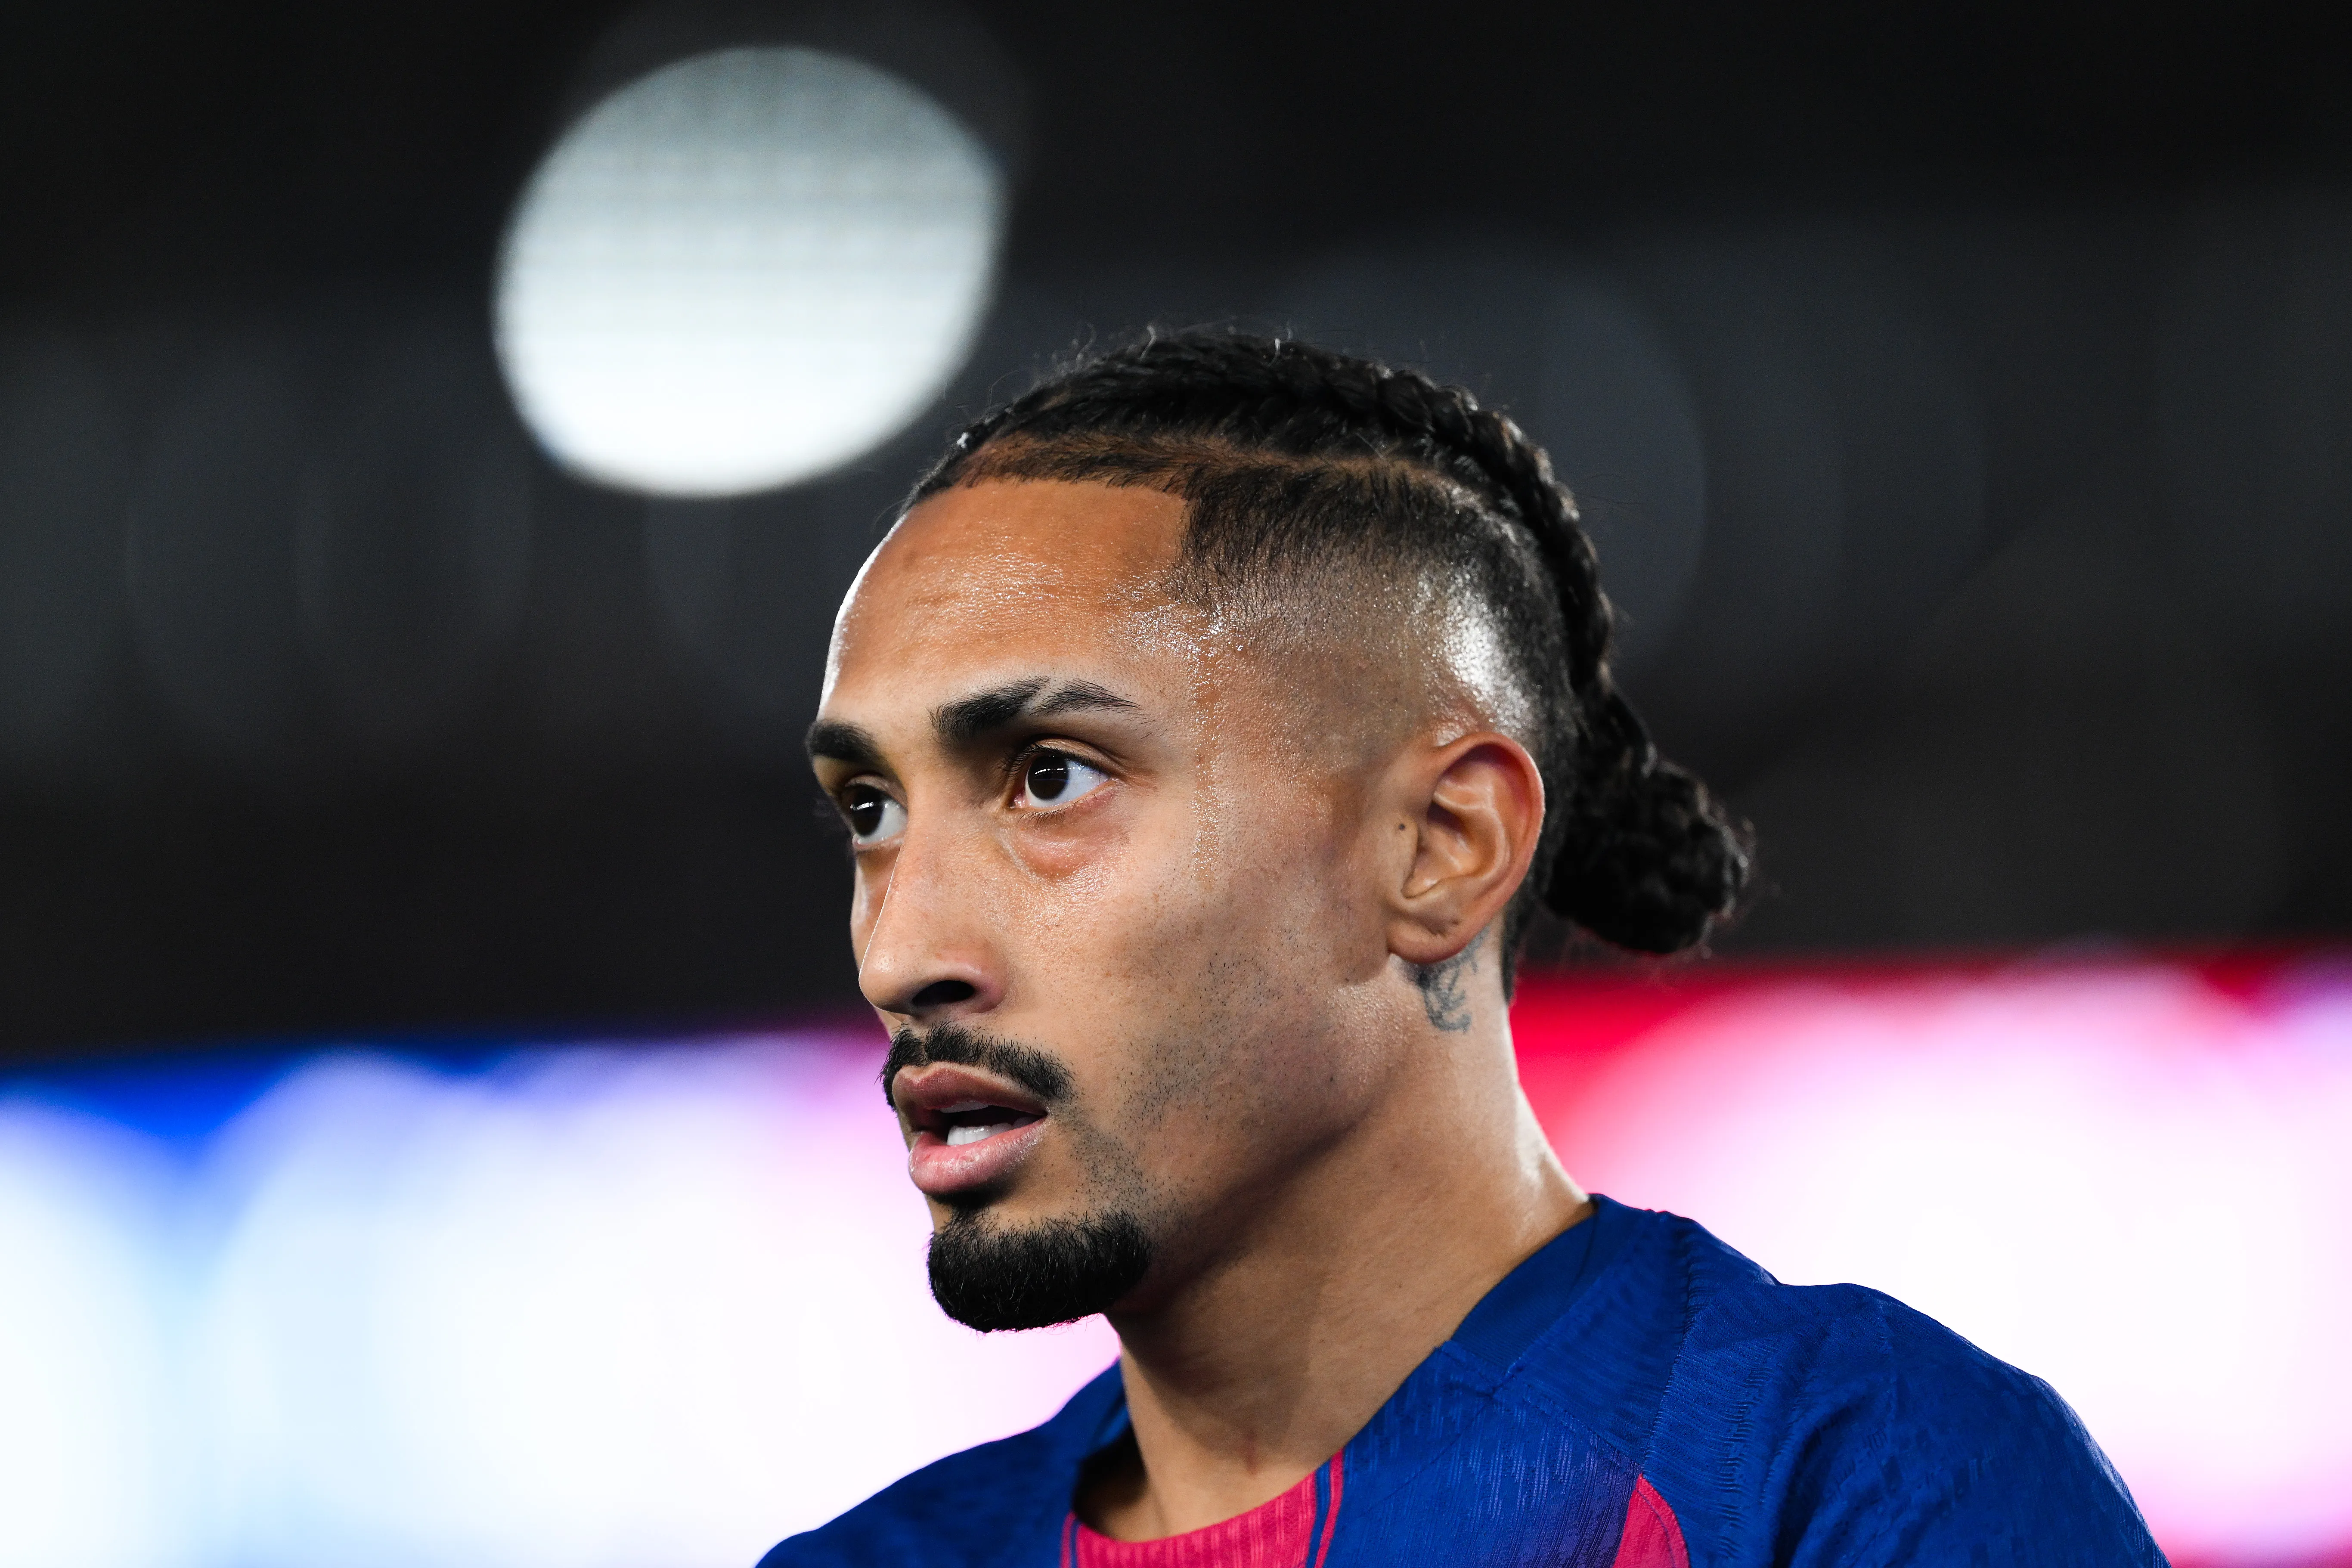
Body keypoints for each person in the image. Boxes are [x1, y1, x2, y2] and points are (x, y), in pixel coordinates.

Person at [768, 332, 2165, 1566]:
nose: (901, 956)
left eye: (1051, 779)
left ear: (1441, 847)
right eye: (872, 813)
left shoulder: (1850, 1486)